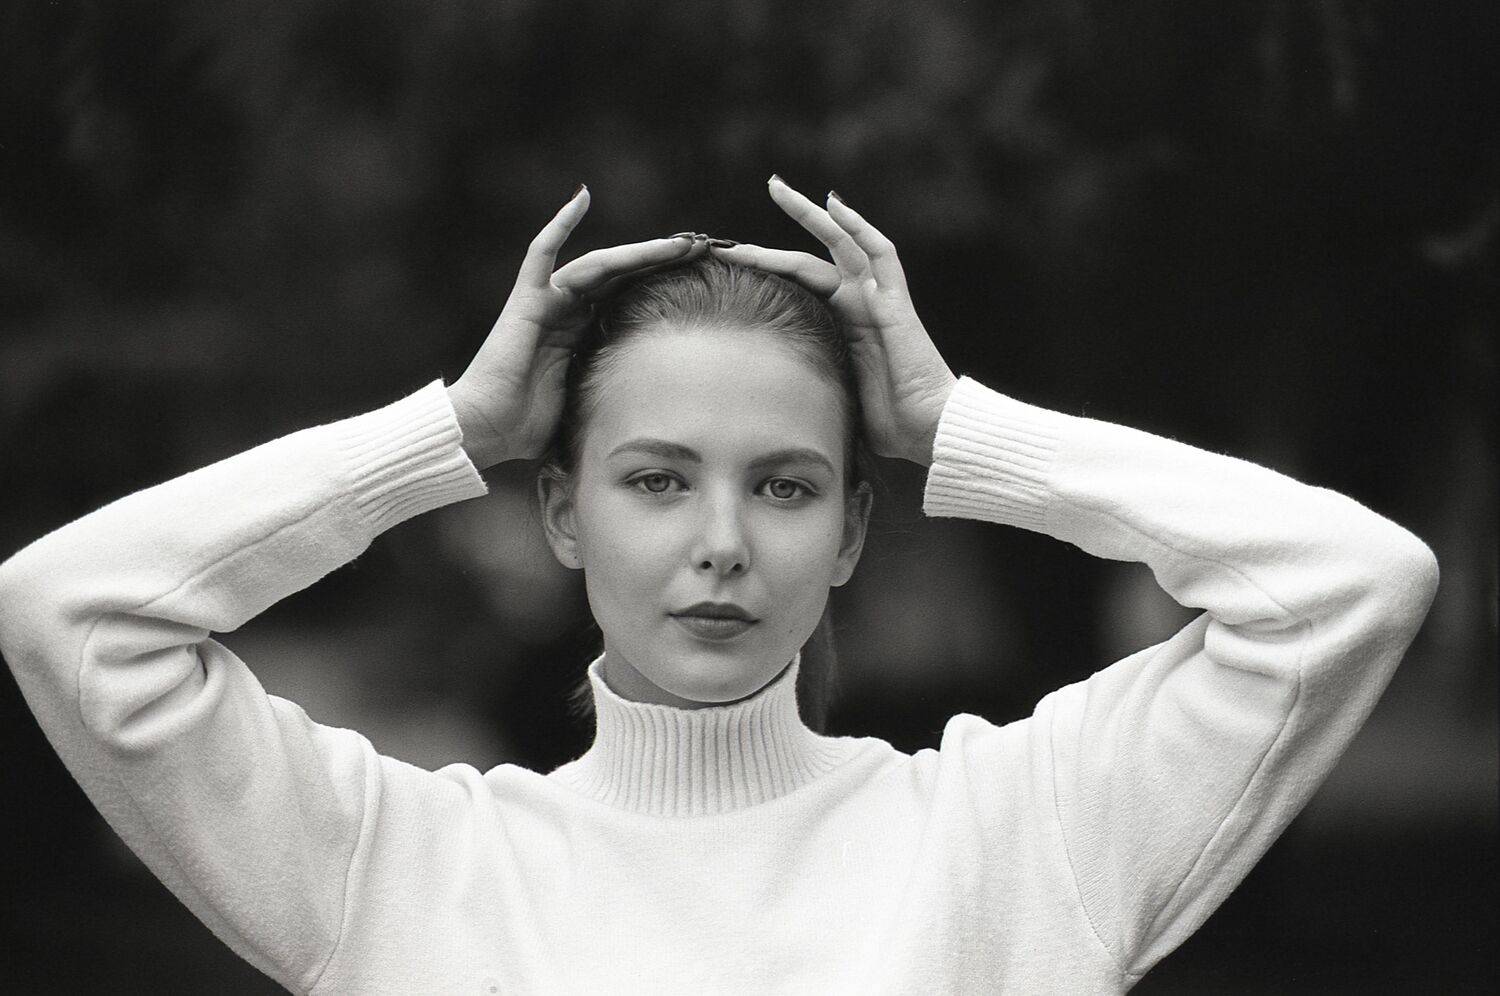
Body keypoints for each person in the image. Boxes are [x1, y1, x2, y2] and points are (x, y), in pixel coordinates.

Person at [0, 176, 1438, 994]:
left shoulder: (1019, 835)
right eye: (656, 479)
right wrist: (453, 433)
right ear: (561, 511)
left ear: (853, 532)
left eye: (787, 486)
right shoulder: (403, 867)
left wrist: (961, 430)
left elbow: (1352, 584)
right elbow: (71, 612)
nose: (724, 540)